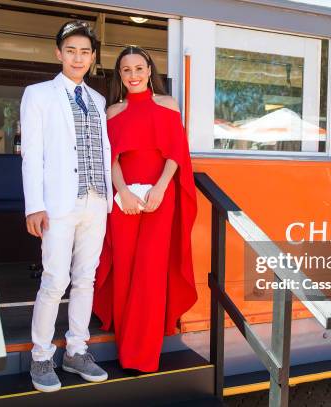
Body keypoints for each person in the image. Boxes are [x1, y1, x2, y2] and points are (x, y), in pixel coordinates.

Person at [20, 20, 112, 392]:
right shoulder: (38, 94)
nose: (78, 57)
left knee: (85, 279)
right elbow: (32, 155)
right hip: (57, 203)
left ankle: (76, 350)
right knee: (54, 280)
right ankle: (41, 356)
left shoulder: (98, 100)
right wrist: (34, 205)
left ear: (92, 57)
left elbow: (102, 151)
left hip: (96, 201)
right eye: (71, 50)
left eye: (85, 51)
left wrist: (109, 198)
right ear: (58, 53)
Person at [93, 46, 198, 373]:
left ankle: (145, 354)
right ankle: (127, 349)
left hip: (159, 199)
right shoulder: (112, 112)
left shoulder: (168, 105)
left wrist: (161, 189)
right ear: (119, 76)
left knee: (151, 273)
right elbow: (110, 159)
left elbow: (176, 154)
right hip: (124, 202)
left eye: (140, 68)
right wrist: (122, 192)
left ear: (150, 70)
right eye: (127, 70)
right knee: (125, 271)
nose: (134, 75)